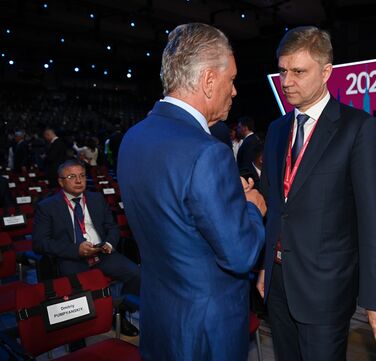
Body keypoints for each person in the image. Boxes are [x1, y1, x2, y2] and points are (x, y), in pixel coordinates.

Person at [117, 23, 266, 361]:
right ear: (209, 81)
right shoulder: (207, 152)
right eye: (231, 80)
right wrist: (251, 207)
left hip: (160, 319)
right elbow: (240, 254)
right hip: (207, 331)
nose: (235, 91)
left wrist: (226, 200)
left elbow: (179, 220)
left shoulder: (134, 138)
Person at [257, 26, 376, 361]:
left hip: (326, 290)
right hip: (278, 284)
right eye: (282, 71)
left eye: (298, 72)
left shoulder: (358, 129)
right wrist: (266, 265)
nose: (287, 81)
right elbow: (278, 209)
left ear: (325, 73)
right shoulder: (277, 130)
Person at [32, 160, 141, 338]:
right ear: (60, 181)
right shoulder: (47, 207)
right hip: (72, 257)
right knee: (78, 289)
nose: (78, 181)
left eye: (82, 176)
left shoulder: (96, 198)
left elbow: (112, 227)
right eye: (72, 177)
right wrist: (75, 250)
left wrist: (108, 244)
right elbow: (39, 243)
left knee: (136, 274)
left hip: (102, 253)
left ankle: (118, 313)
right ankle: (79, 330)